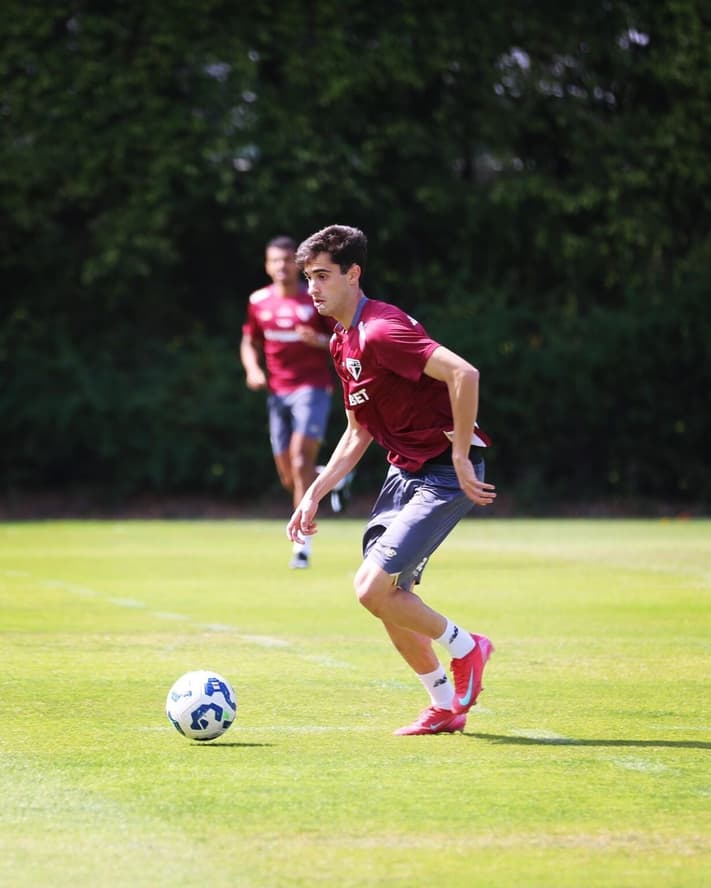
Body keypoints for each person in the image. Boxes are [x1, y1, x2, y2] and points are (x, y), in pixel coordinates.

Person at [286, 224, 497, 735]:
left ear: (353, 274)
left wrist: (463, 455)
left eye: (322, 276)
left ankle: (469, 648)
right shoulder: (341, 341)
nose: (313, 288)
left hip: (442, 475)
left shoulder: (382, 329)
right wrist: (313, 493)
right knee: (388, 601)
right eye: (307, 278)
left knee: (370, 589)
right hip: (404, 473)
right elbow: (357, 432)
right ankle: (445, 706)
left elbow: (463, 374)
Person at [241, 235, 337, 569]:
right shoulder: (259, 302)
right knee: (290, 475)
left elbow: (344, 339)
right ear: (267, 266)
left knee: (299, 462)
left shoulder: (314, 300)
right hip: (277, 393)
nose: (281, 266)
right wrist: (253, 370)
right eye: (275, 260)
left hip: (312, 388)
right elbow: (249, 341)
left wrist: (320, 341)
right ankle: (329, 475)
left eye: (287, 260)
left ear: (296, 265)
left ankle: (302, 547)